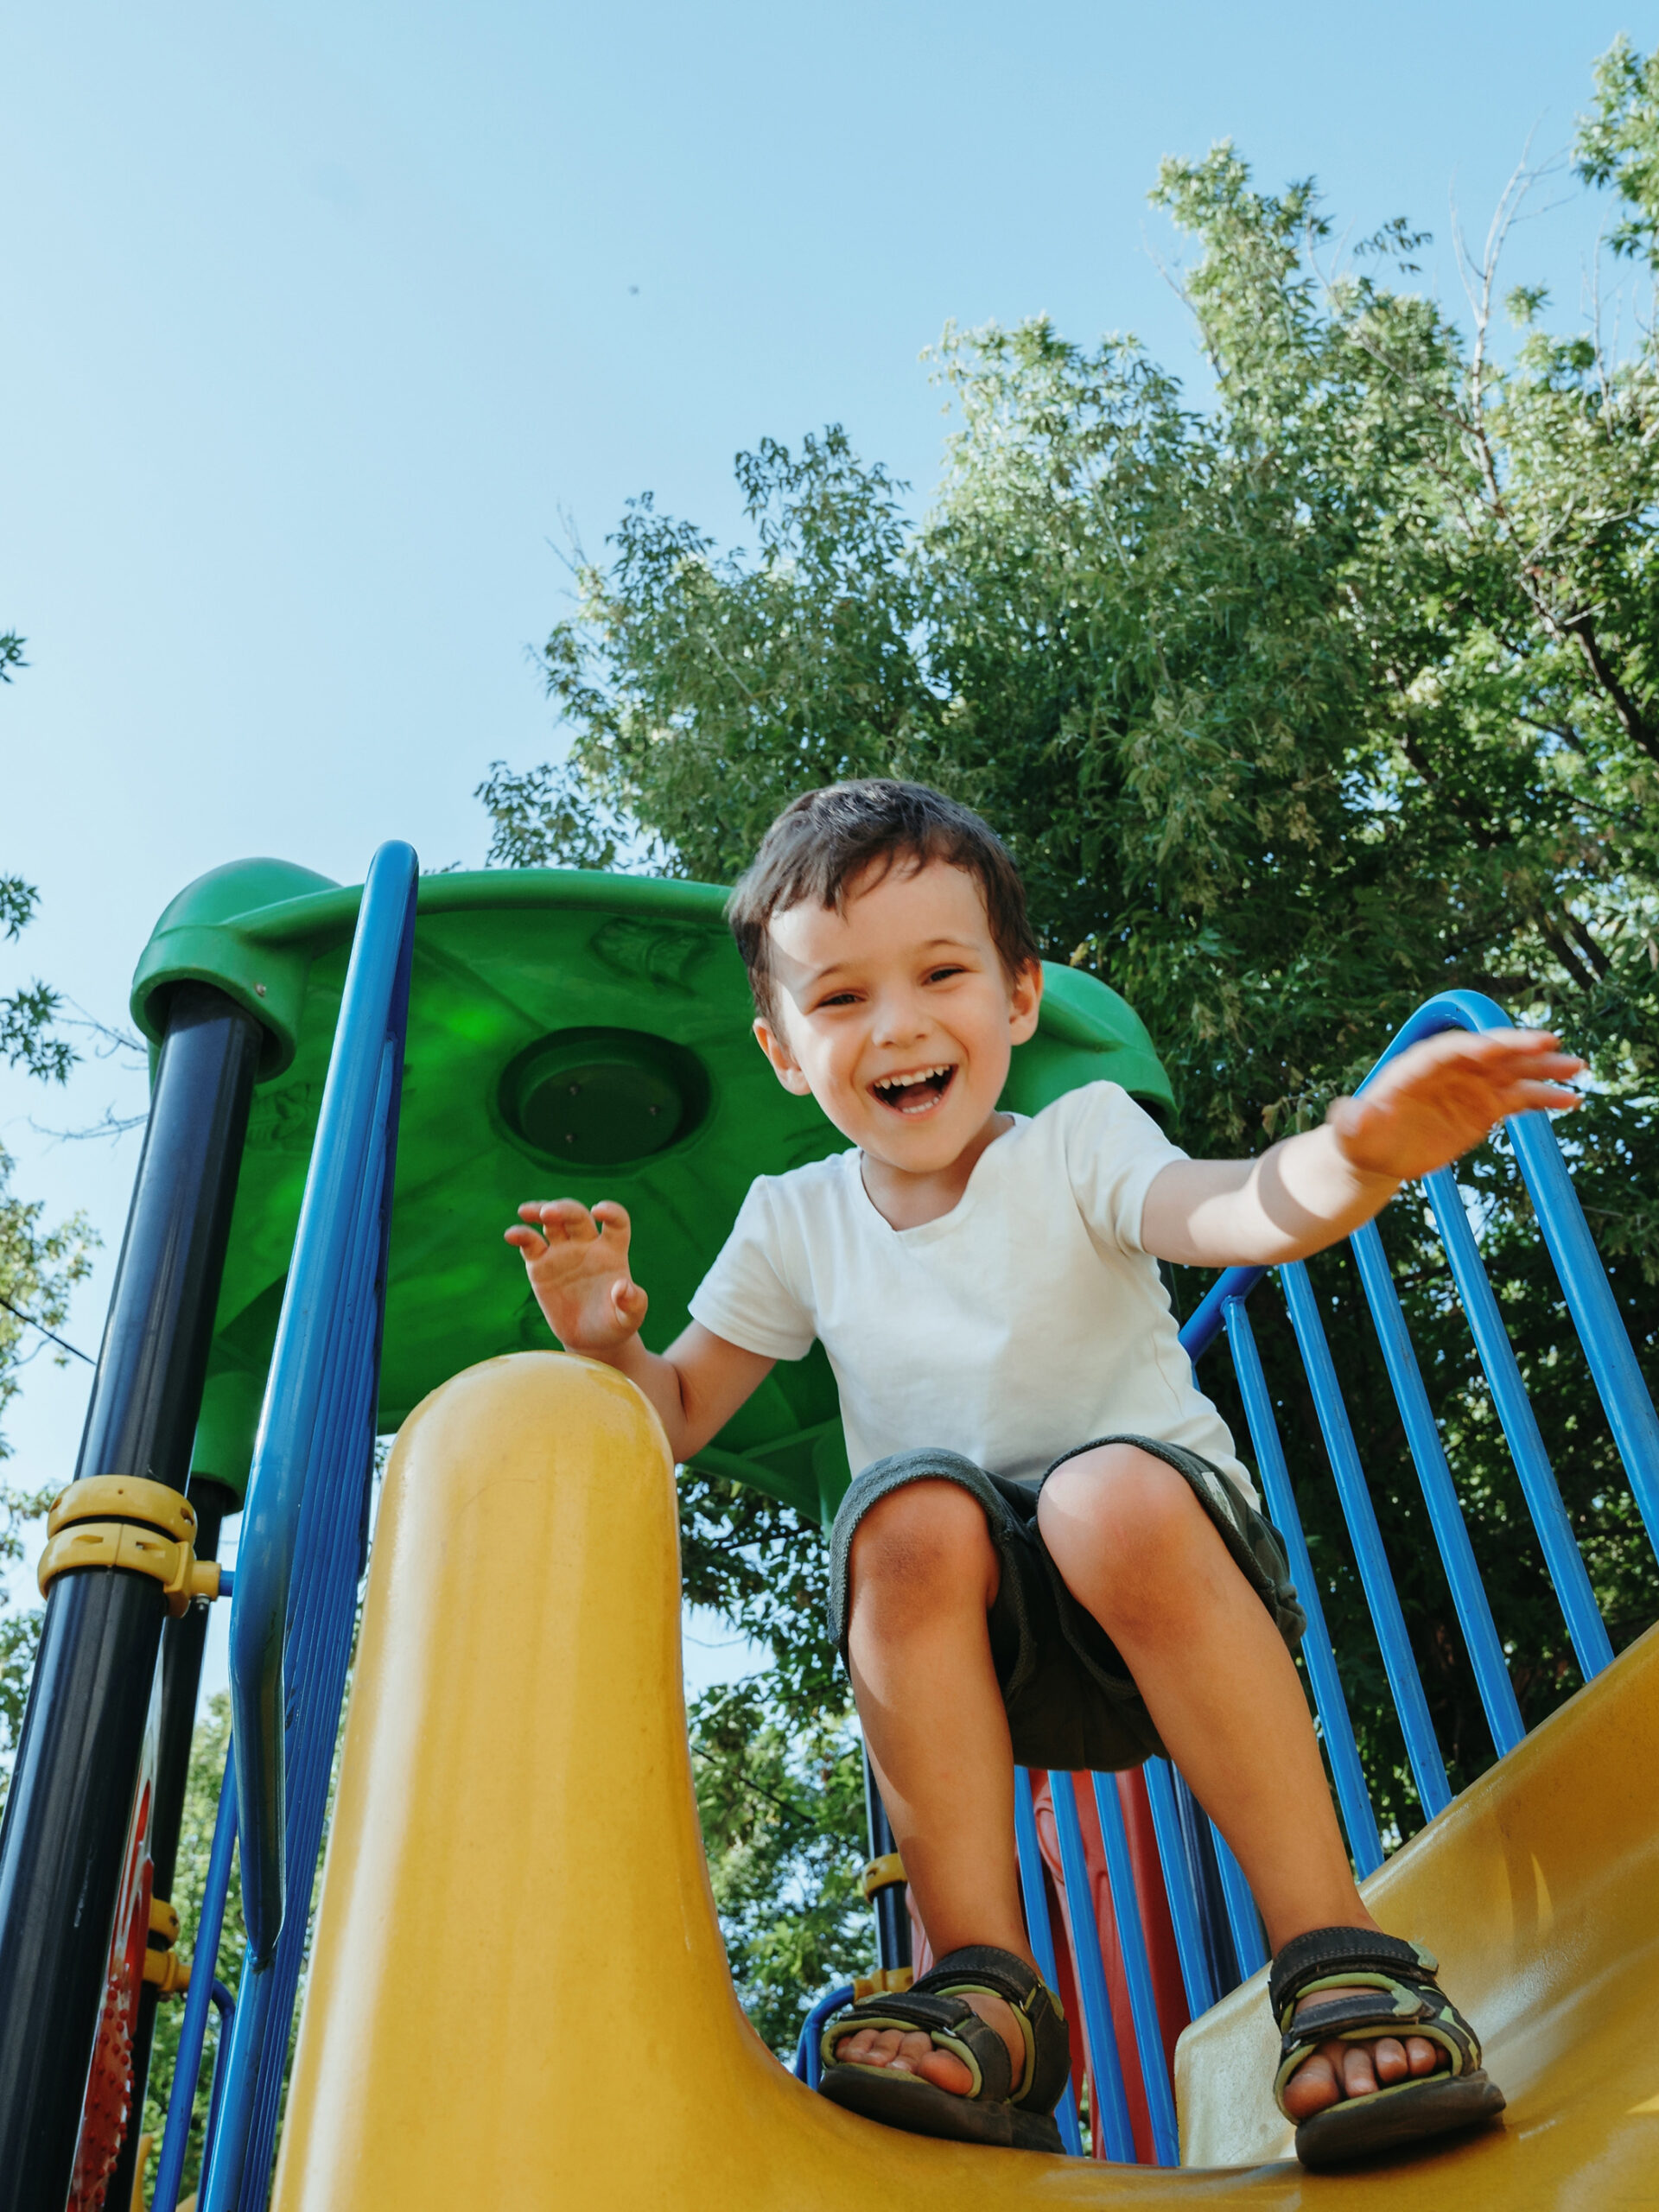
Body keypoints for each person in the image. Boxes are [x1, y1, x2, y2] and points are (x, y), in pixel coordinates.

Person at [505, 779, 1580, 2169]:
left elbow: (1232, 1212)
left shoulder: (1081, 1139)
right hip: (984, 1652)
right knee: (904, 1517)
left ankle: (1338, 1947)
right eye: (838, 1002)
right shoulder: (794, 1221)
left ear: (1018, 996)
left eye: (939, 974)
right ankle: (990, 1995)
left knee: (1099, 1493)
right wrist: (606, 1347)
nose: (894, 1026)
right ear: (782, 1049)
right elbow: (679, 1413)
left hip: (1169, 1581)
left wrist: (1353, 1155)